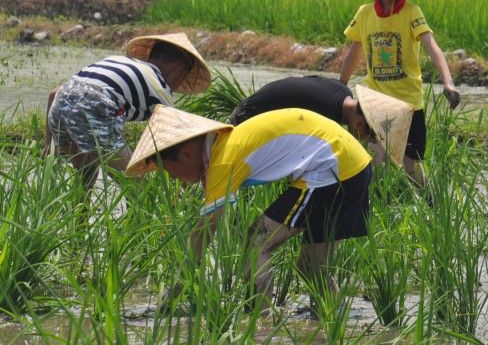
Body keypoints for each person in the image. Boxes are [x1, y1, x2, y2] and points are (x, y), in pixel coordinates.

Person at [124, 105, 373, 312]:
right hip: (352, 165)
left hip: (331, 167)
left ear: (188, 153)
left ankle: (260, 320)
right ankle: (330, 320)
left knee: (256, 243)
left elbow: (204, 232)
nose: (174, 179)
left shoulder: (223, 159)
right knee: (311, 266)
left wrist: (176, 288)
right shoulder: (224, 145)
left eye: (169, 170)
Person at [339, 0, 460, 184]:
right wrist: (340, 84)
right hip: (375, 100)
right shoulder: (364, 14)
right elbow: (355, 51)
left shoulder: (412, 12)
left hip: (408, 102)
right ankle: (375, 207)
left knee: (410, 166)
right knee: (372, 158)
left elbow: (431, 46)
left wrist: (449, 82)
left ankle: (429, 204)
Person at [44, 32, 211, 188]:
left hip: (60, 108)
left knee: (85, 180)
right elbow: (175, 146)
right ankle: (143, 219)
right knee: (138, 189)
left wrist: (48, 146)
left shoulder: (121, 62)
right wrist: (184, 184)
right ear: (180, 68)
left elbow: (54, 93)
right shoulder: (159, 88)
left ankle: (79, 219)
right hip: (95, 109)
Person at [229, 76, 414, 168]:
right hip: (245, 124)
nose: (365, 142)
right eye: (369, 139)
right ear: (359, 125)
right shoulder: (324, 117)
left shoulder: (341, 91)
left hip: (253, 112)